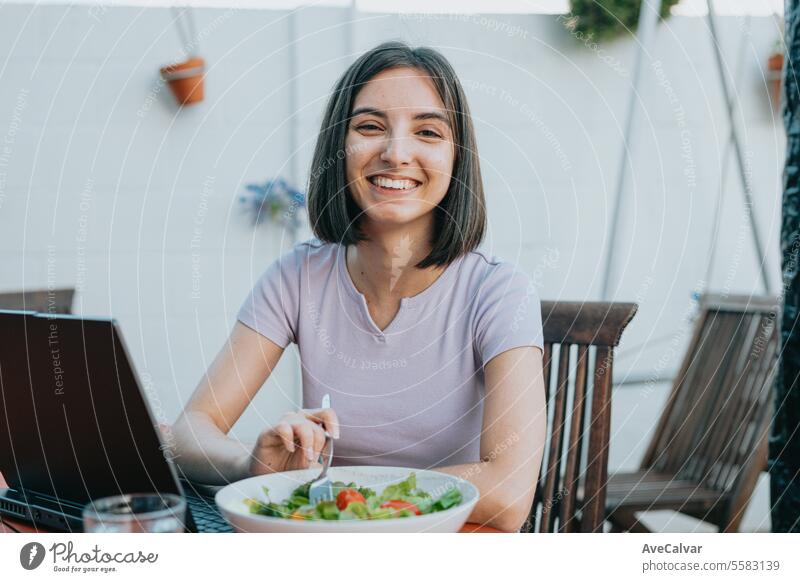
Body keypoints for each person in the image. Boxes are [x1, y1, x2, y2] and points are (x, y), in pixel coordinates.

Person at [173, 41, 546, 532]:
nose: (395, 154)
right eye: (370, 127)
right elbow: (188, 433)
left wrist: (342, 500)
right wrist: (255, 467)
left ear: (457, 157)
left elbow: (509, 490)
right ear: (338, 147)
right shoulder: (297, 277)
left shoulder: (499, 291)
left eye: (428, 132)